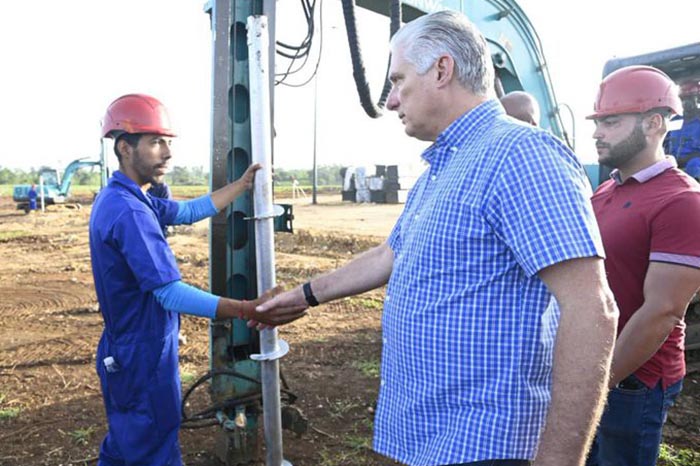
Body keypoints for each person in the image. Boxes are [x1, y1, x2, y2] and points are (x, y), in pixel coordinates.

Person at [256, 11, 617, 466]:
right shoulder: (443, 167)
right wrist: (304, 296)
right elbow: (391, 253)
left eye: (398, 80)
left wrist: (560, 461)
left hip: (488, 443)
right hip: (435, 436)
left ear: (442, 70)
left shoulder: (521, 154)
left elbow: (591, 308)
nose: (390, 101)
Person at [90, 93, 296, 466]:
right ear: (124, 147)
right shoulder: (129, 212)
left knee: (127, 443)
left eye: (168, 142)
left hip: (128, 348)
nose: (167, 153)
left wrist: (240, 186)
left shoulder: (128, 197)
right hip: (142, 351)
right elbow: (168, 293)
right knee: (154, 444)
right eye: (155, 142)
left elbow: (185, 211)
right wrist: (247, 308)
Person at [585, 66, 700, 466]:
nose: (597, 132)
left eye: (611, 122)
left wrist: (600, 383)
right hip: (595, 367)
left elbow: (662, 311)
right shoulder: (606, 190)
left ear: (654, 123)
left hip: (634, 381)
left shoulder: (682, 201)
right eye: (598, 122)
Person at [664, 80, 700, 168]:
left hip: (694, 167)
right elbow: (665, 143)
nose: (686, 102)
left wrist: (689, 159)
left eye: (690, 98)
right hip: (673, 166)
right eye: (683, 98)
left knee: (695, 164)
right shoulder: (674, 121)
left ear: (698, 98)